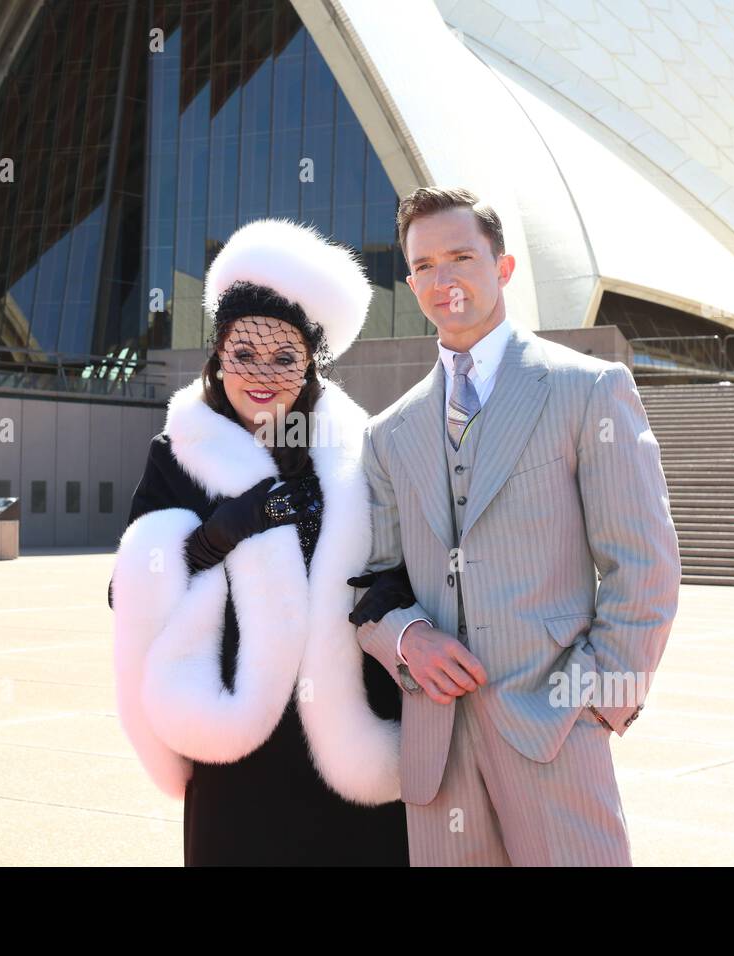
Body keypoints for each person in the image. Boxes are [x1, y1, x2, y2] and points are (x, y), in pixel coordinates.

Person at [351, 186, 681, 866]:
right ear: (410, 280)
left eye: (461, 257)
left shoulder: (589, 391)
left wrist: (598, 705)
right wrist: (408, 640)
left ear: (502, 268)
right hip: (438, 753)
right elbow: (372, 579)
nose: (444, 280)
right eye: (424, 265)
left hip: (557, 733)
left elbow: (643, 566)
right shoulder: (389, 433)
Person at [109, 218, 411, 866]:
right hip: (241, 733)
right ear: (218, 356)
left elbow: (400, 566)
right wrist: (219, 536)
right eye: (242, 355)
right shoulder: (178, 454)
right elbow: (128, 585)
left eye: (284, 357)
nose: (262, 376)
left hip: (346, 720)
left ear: (312, 363)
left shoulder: (360, 452)